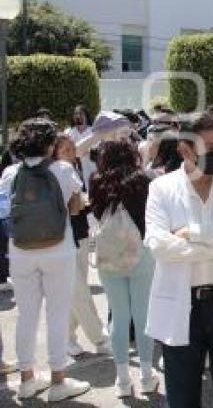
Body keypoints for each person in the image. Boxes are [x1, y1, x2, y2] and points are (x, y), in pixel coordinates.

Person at [144, 112, 213, 408]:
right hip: (181, 305)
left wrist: (191, 233)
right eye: (209, 145)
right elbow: (158, 244)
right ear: (185, 148)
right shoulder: (161, 188)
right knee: (182, 399)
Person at [0, 119, 91, 401]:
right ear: (50, 144)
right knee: (57, 314)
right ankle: (57, 381)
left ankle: (27, 380)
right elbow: (76, 208)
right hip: (58, 250)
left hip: (20, 250)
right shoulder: (62, 169)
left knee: (26, 314)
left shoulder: (10, 173)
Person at [89, 140, 158, 397]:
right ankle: (147, 376)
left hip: (109, 255)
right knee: (142, 316)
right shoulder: (145, 179)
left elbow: (95, 214)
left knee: (118, 317)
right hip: (141, 252)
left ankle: (122, 380)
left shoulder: (96, 181)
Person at [52, 134, 111, 358]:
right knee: (80, 292)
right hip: (66, 238)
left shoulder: (68, 169)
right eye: (65, 150)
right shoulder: (63, 171)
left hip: (77, 235)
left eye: (71, 149)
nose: (70, 153)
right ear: (54, 153)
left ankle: (66, 338)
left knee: (75, 291)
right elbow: (76, 208)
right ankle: (100, 338)